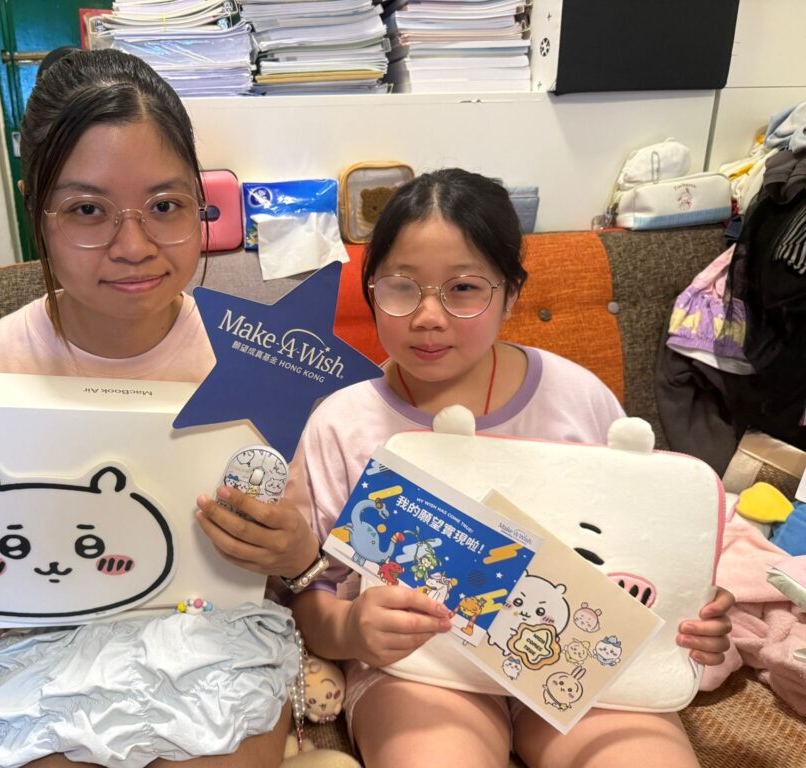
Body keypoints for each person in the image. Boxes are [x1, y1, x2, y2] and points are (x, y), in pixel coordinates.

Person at [0, 49, 321, 768]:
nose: (134, 246)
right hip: (43, 654)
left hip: (208, 641)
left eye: (166, 207)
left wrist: (295, 553)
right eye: (88, 210)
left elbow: (298, 550)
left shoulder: (252, 364)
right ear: (39, 211)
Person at [286, 168, 735, 768]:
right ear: (371, 291)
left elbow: (642, 549)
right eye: (400, 286)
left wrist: (691, 616)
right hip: (419, 672)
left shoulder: (579, 397)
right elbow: (305, 594)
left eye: (464, 289)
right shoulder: (342, 422)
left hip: (579, 664)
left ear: (512, 295)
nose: (428, 316)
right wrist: (352, 631)